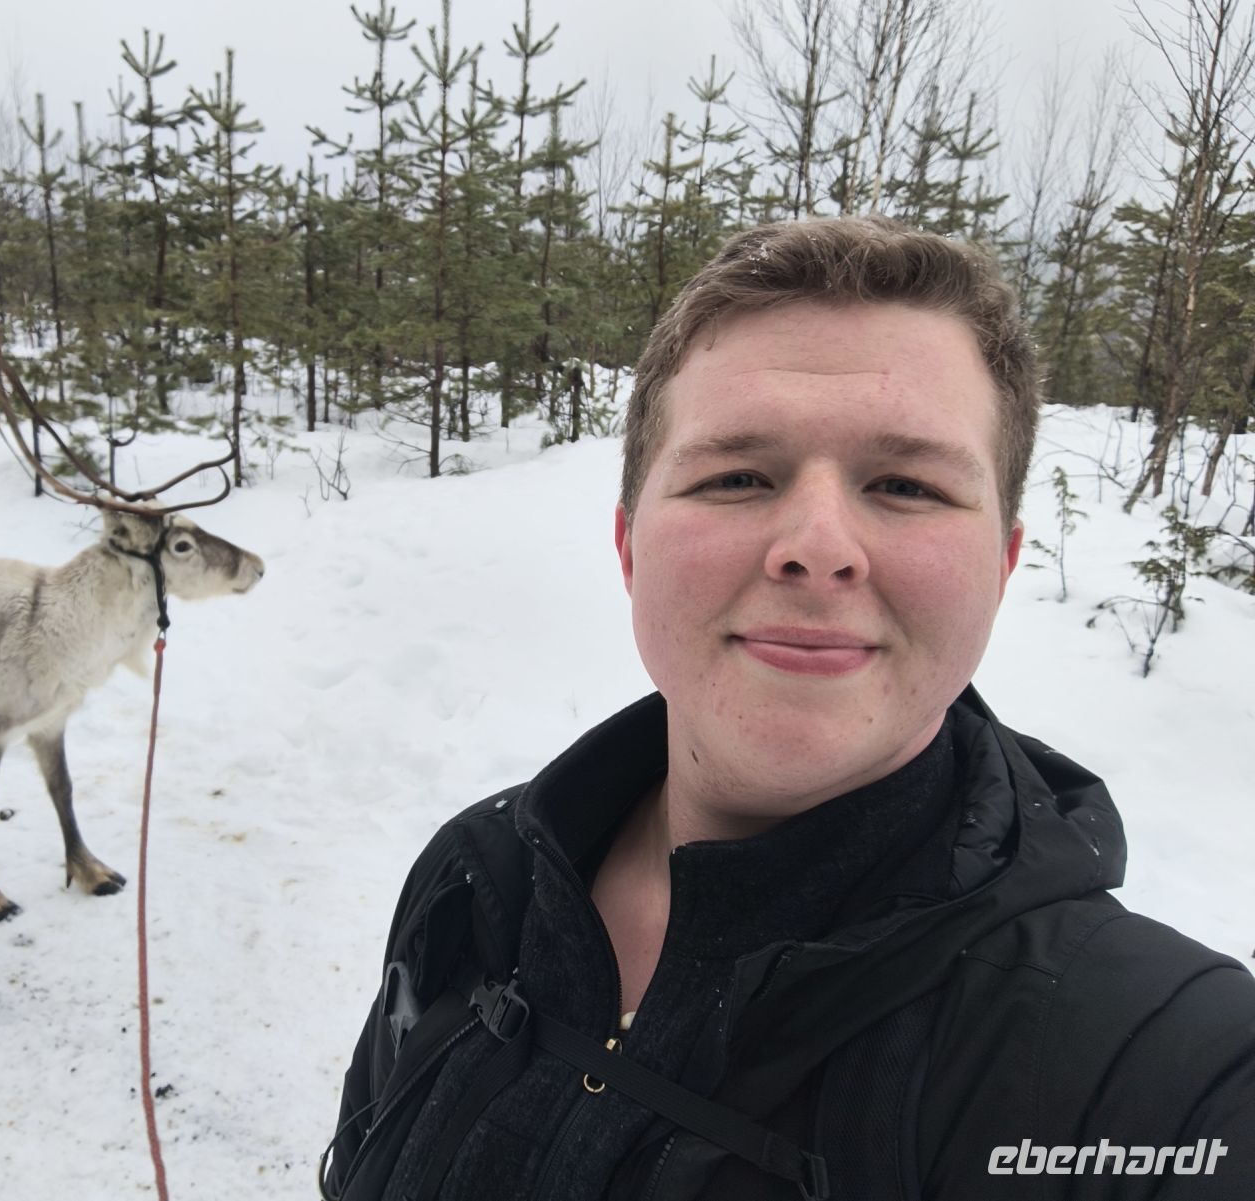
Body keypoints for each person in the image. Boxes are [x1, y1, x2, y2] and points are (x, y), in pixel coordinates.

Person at [319, 216, 1255, 1201]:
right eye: (737, 477)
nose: (816, 545)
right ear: (631, 546)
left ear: (1002, 566)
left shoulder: (1161, 1070)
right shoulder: (483, 877)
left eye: (905, 484)